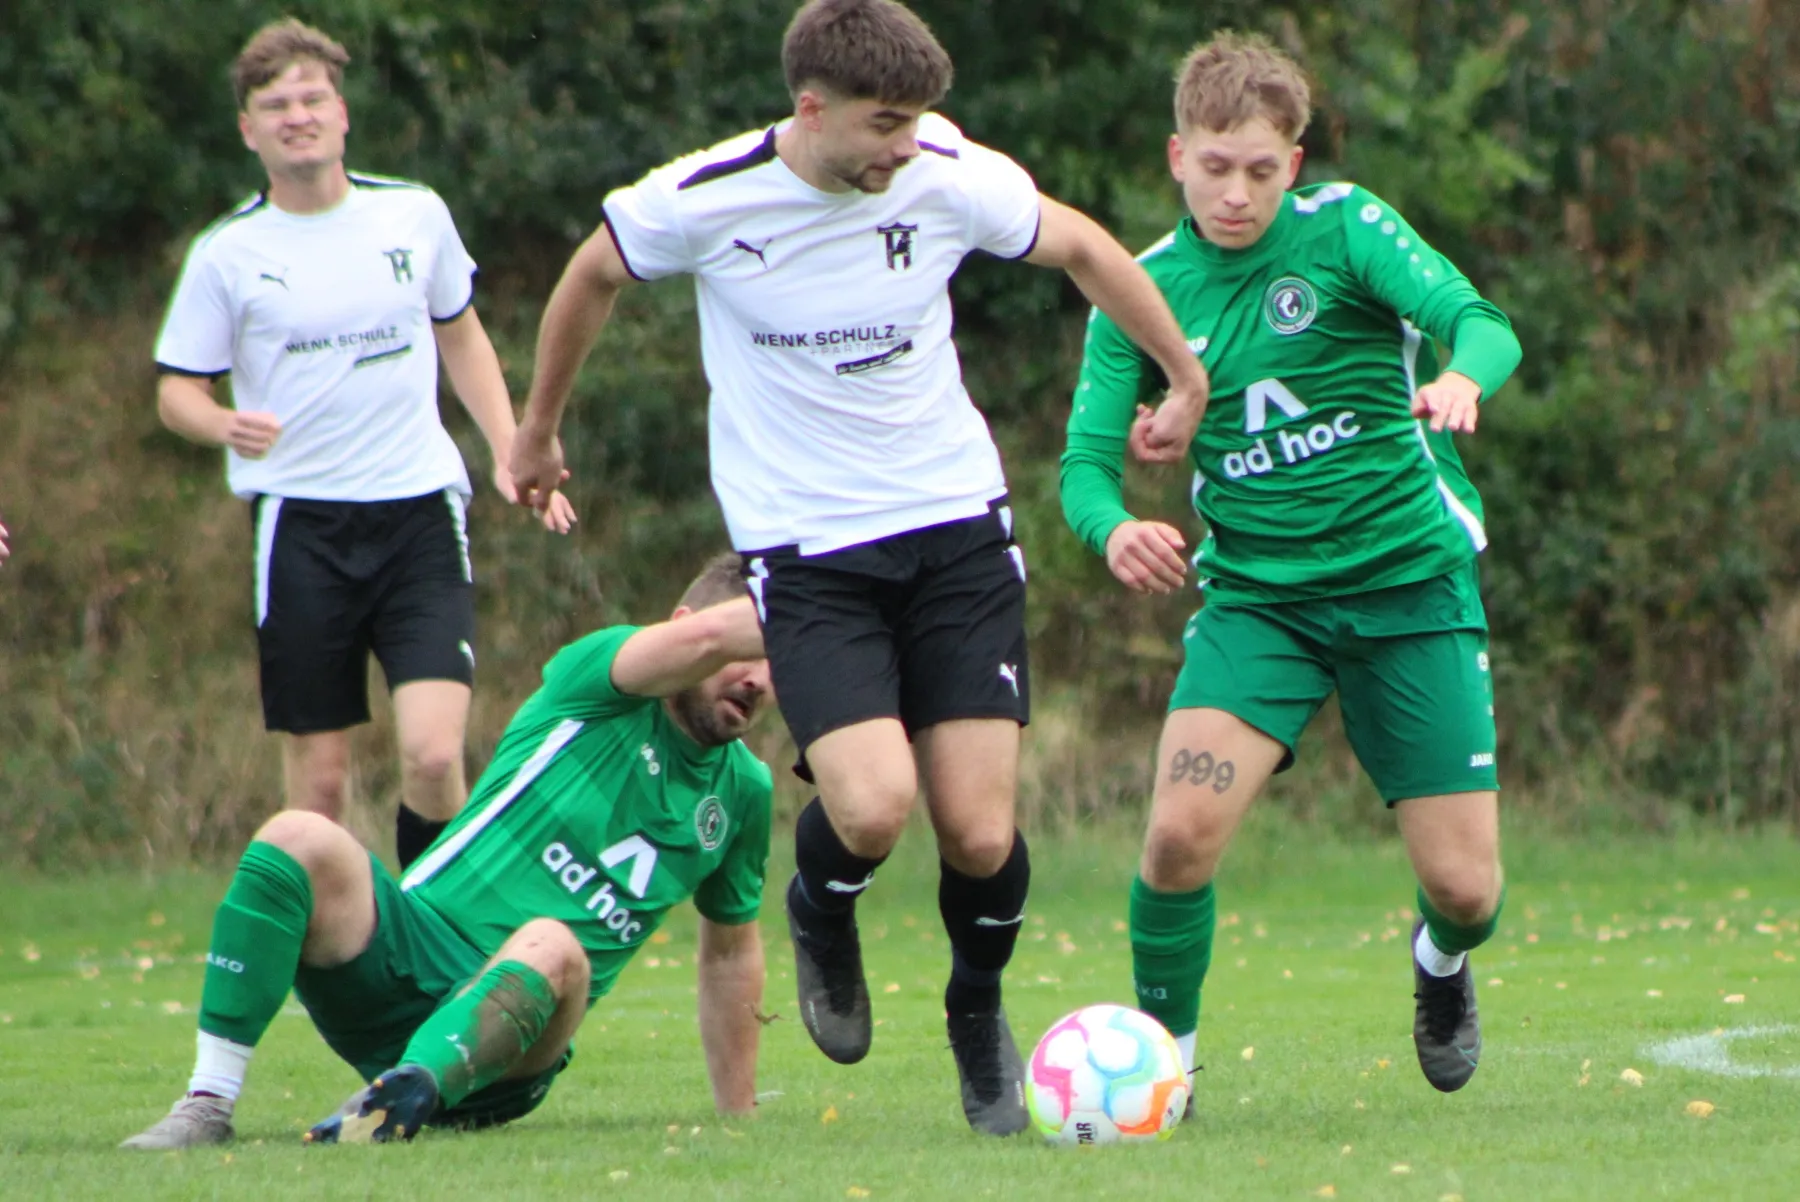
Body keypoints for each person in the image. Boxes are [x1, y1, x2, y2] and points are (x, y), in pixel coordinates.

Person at [508, 0, 1210, 1136]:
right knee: (874, 805)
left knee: (980, 833)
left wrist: (1183, 375)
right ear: (812, 107)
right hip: (809, 551)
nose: (905, 146)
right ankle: (821, 907)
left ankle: (975, 1012)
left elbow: (1083, 247)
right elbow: (592, 274)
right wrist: (537, 430)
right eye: (885, 123)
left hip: (957, 526)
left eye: (917, 121)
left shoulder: (945, 172)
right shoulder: (706, 197)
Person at [1061, 31, 1521, 1096]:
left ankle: (1440, 961)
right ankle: (1163, 1075)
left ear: (1295, 163)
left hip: (1410, 586)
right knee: (1177, 838)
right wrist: (1112, 527)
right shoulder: (1142, 289)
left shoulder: (1346, 229)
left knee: (1466, 891)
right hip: (1261, 604)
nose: (1237, 194)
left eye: (1262, 171)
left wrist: (1462, 378)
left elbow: (1479, 322)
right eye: (1216, 167)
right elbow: (1084, 466)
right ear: (1177, 156)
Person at [121, 553, 773, 1148]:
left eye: (779, 661)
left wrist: (738, 1117)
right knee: (297, 835)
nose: (759, 680)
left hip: (512, 1049)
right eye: (748, 651)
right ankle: (207, 1103)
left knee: (552, 943)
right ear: (685, 629)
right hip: (408, 954)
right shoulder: (602, 680)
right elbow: (697, 642)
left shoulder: (744, 792)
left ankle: (397, 1101)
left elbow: (730, 953)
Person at [152, 18, 576, 869]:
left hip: (418, 514)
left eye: (312, 99)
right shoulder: (227, 254)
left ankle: (435, 923)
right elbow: (175, 392)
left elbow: (461, 334)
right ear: (248, 130)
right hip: (302, 526)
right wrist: (222, 423)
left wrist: (510, 448)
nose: (298, 117)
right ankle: (331, 943)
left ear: (342, 113)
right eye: (277, 106)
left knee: (433, 755)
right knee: (318, 787)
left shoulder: (413, 215)